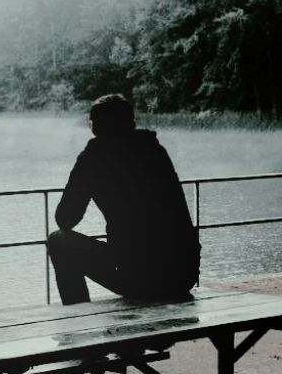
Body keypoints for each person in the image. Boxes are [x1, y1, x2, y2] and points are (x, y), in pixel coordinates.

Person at [47, 94, 201, 304]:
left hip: (139, 276)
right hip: (183, 274)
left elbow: (65, 220)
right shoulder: (154, 149)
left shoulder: (93, 158)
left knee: (58, 241)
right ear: (131, 122)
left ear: (95, 127)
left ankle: (77, 319)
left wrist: (85, 169)